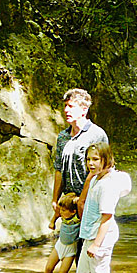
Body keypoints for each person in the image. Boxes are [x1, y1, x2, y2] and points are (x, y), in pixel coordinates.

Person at [76, 141, 132, 273]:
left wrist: (97, 244)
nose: (90, 163)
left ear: (106, 160)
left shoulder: (107, 185)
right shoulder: (95, 178)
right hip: (90, 234)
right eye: (88, 159)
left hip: (101, 237)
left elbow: (107, 217)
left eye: (95, 159)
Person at [51, 88, 108, 223]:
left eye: (71, 106)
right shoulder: (63, 137)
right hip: (69, 202)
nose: (66, 110)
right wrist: (55, 200)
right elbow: (59, 169)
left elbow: (103, 170)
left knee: (89, 241)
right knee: (66, 243)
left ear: (84, 110)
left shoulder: (97, 134)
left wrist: (82, 199)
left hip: (91, 200)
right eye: (65, 106)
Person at [44, 192, 80, 273]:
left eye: (64, 210)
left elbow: (83, 205)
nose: (61, 212)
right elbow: (56, 214)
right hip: (59, 246)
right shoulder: (63, 215)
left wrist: (78, 200)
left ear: (73, 211)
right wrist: (52, 222)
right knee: (48, 269)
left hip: (70, 250)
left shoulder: (78, 217)